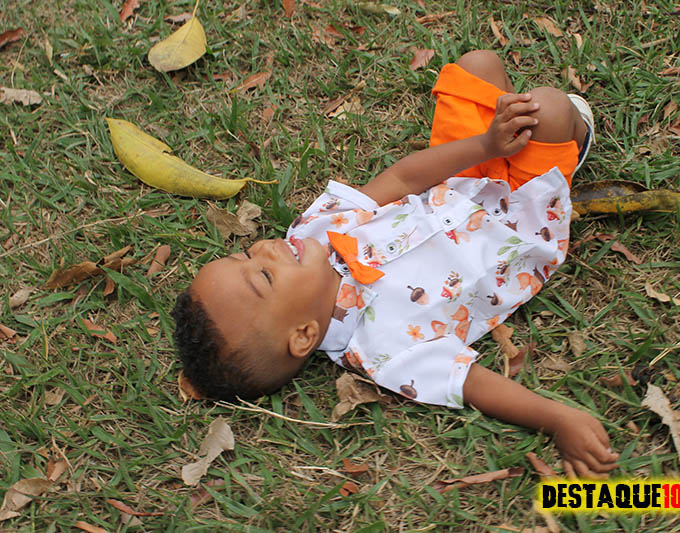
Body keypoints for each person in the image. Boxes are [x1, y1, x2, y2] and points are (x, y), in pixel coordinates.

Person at [172, 50, 619, 478]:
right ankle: (567, 142)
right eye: (265, 275)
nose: (267, 248)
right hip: (518, 218)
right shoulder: (384, 349)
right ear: (304, 335)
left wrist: (485, 144)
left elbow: (403, 178)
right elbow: (475, 384)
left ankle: (516, 133)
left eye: (246, 253)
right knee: (549, 107)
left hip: (465, 174)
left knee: (478, 65)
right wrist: (558, 419)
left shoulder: (312, 232)